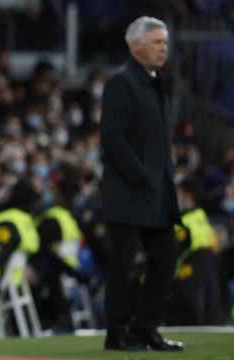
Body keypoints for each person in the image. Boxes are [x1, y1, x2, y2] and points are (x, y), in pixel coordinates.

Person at [100, 16, 183, 352]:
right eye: (157, 42)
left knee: (165, 258)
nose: (164, 48)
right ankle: (117, 334)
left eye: (165, 42)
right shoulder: (121, 82)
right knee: (123, 266)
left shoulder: (155, 81)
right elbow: (112, 139)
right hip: (128, 193)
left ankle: (145, 328)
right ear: (136, 46)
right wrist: (141, 176)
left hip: (156, 192)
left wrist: (160, 180)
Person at [167, 178, 224, 325]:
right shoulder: (200, 215)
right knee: (210, 303)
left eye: (179, 194)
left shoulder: (183, 220)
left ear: (187, 195)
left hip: (194, 261)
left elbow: (177, 246)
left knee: (192, 302)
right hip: (210, 259)